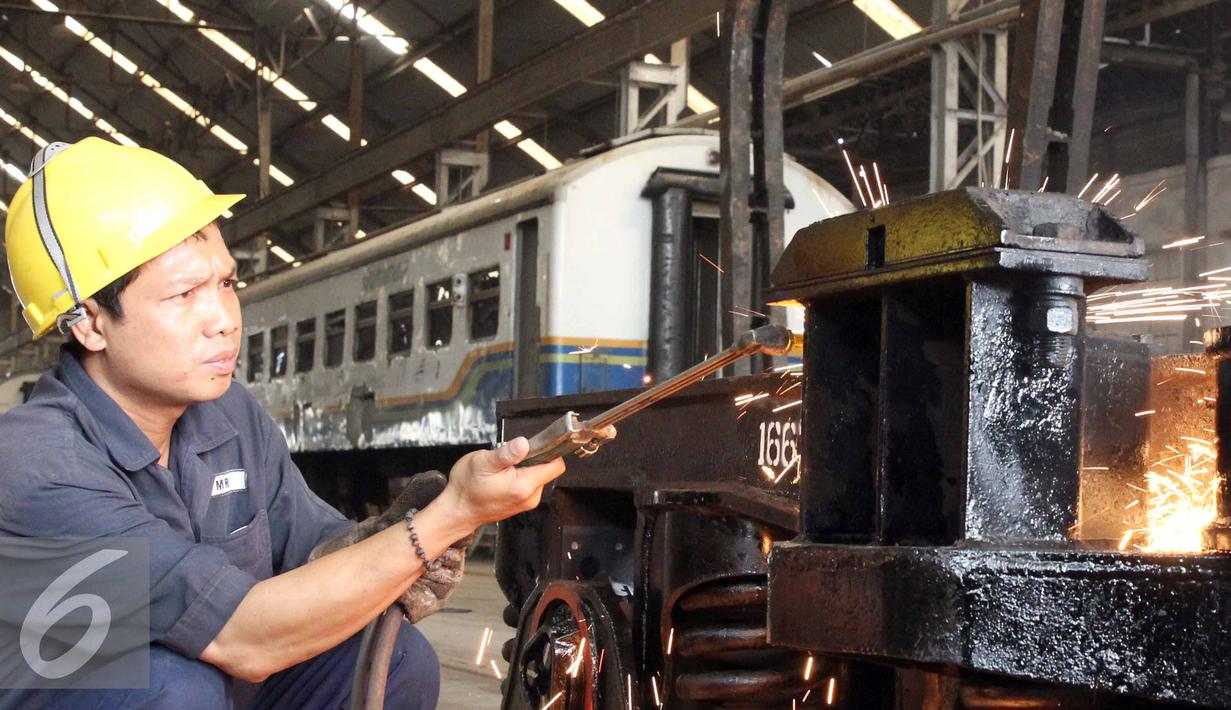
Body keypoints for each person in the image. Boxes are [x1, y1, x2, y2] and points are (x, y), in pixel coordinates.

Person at [0, 137, 565, 708]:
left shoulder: (228, 416)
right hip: (97, 691)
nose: (224, 320)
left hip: (214, 681)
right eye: (184, 294)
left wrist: (394, 540)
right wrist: (448, 518)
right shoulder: (40, 466)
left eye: (225, 284)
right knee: (178, 690)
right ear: (90, 323)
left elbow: (316, 554)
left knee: (394, 658)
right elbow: (244, 638)